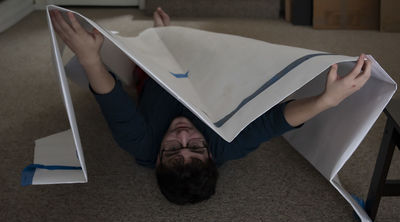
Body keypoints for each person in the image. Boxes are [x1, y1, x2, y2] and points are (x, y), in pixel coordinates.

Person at [49, 8, 372, 205]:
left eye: (173, 148)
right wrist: (326, 101)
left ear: (156, 158)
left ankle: (164, 41)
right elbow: (276, 121)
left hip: (155, 76)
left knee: (136, 69)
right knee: (237, 71)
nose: (183, 134)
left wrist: (90, 58)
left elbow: (112, 99)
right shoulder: (226, 146)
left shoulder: (139, 144)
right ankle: (171, 39)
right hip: (205, 78)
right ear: (212, 154)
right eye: (195, 147)